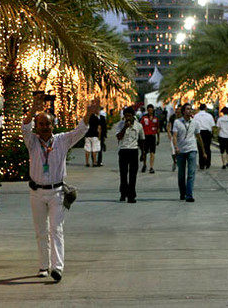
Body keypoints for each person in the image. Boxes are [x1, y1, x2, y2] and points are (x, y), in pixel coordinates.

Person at [22, 94, 98, 282]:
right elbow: (24, 126)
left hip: (57, 192)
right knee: (41, 230)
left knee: (56, 229)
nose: (45, 127)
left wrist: (88, 113)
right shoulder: (31, 141)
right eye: (41, 124)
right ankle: (43, 266)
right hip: (37, 192)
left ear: (53, 126)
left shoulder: (62, 140)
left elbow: (80, 130)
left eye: (48, 124)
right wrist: (33, 108)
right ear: (36, 127)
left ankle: (57, 267)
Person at [170, 103, 207, 202]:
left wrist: (203, 151)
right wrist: (176, 147)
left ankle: (189, 194)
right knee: (181, 174)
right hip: (181, 150)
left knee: (191, 173)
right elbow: (174, 136)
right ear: (183, 111)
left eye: (191, 109)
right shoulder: (177, 122)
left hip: (192, 149)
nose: (189, 111)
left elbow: (199, 137)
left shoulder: (195, 123)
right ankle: (182, 193)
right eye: (187, 109)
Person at [115, 106, 144, 203]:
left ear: (133, 116)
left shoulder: (138, 126)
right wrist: (124, 127)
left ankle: (131, 195)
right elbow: (119, 137)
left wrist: (143, 153)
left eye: (129, 116)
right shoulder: (120, 125)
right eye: (126, 116)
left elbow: (141, 140)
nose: (127, 118)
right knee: (123, 174)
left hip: (133, 150)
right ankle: (123, 193)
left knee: (133, 174)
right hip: (123, 150)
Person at [192, 103, 215, 170]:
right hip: (207, 133)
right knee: (207, 148)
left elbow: (194, 125)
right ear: (205, 108)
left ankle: (201, 163)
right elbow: (212, 126)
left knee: (200, 148)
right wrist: (212, 134)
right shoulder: (209, 116)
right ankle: (208, 163)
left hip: (199, 133)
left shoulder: (196, 116)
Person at [140, 104, 159, 173]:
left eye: (151, 110)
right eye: (149, 110)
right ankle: (144, 164)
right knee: (144, 152)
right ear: (147, 110)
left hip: (152, 136)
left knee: (152, 153)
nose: (150, 111)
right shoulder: (144, 118)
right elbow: (140, 127)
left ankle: (151, 167)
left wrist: (158, 138)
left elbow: (158, 128)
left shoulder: (155, 118)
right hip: (145, 136)